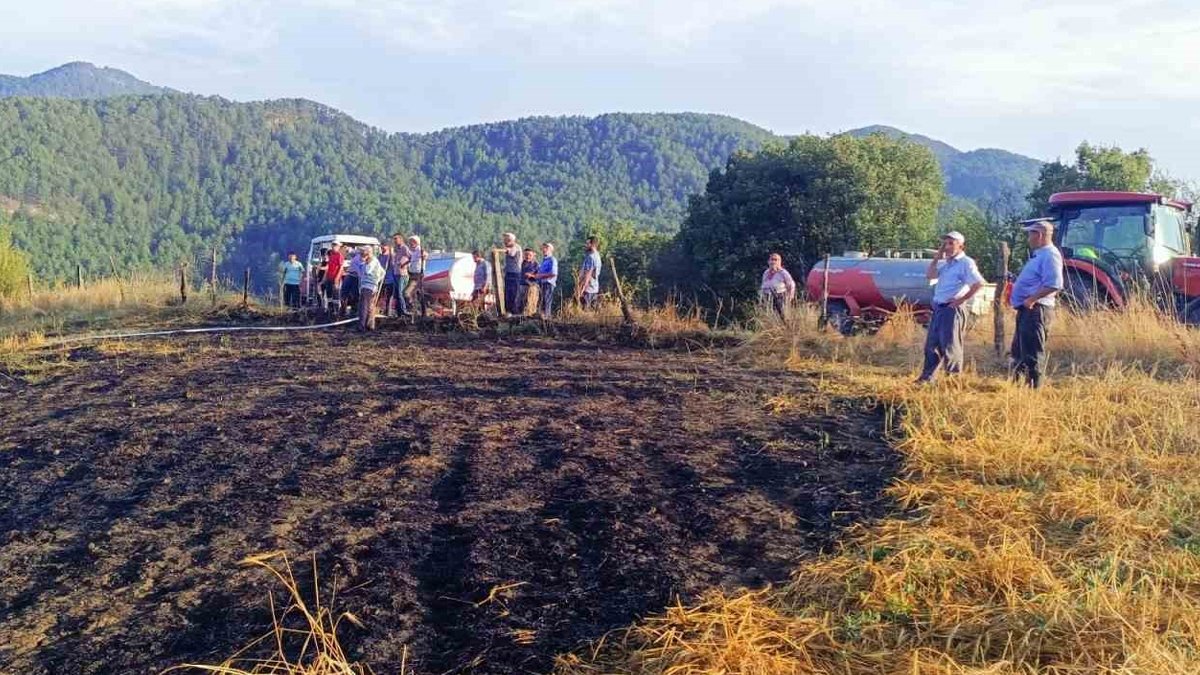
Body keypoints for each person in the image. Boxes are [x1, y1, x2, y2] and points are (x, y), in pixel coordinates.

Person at [916, 231, 985, 384]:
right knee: (932, 344)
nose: (946, 247)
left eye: (950, 243)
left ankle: (953, 381)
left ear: (961, 246)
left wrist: (961, 300)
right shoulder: (947, 264)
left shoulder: (966, 263)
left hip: (952, 309)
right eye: (945, 244)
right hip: (939, 308)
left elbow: (979, 283)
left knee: (950, 346)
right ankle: (927, 379)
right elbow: (930, 275)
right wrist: (936, 257)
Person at [1009, 219, 1064, 388]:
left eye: (1030, 234)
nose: (1029, 238)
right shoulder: (1040, 255)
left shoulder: (1050, 255)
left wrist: (1032, 299)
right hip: (1028, 309)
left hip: (1036, 309)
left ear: (1039, 235)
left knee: (1032, 352)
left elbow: (1055, 283)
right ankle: (1017, 387)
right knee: (1020, 350)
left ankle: (1034, 390)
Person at [355, 246, 385, 331]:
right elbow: (383, 272)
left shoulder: (372, 261)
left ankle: (362, 326)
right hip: (369, 286)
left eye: (363, 253)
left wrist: (375, 281)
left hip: (368, 286)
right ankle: (370, 325)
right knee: (370, 306)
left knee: (363, 306)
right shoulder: (374, 261)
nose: (361, 256)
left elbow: (368, 271)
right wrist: (377, 281)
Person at [759, 253, 796, 318]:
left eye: (776, 260)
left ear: (780, 262)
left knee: (781, 316)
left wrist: (790, 297)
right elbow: (763, 285)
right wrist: (761, 299)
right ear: (768, 261)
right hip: (767, 297)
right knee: (768, 316)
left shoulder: (783, 272)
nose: (773, 262)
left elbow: (791, 284)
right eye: (771, 259)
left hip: (780, 297)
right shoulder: (766, 272)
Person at [532, 242, 558, 319]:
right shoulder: (544, 260)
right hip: (542, 284)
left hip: (548, 283)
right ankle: (543, 318)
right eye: (543, 248)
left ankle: (546, 318)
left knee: (546, 301)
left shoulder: (552, 260)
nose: (543, 250)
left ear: (550, 250)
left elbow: (553, 273)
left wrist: (539, 276)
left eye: (546, 248)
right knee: (542, 301)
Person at [403, 235, 427, 316]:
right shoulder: (413, 252)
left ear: (416, 242)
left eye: (412, 242)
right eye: (410, 242)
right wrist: (404, 264)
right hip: (412, 275)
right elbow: (410, 260)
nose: (410, 243)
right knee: (420, 294)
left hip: (417, 275)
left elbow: (425, 255)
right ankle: (423, 312)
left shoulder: (420, 250)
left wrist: (424, 255)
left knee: (407, 293)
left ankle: (414, 308)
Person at [576, 236, 602, 310]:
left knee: (585, 310)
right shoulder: (597, 256)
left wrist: (582, 288)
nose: (586, 245)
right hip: (595, 287)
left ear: (592, 245)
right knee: (593, 310)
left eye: (587, 243)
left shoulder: (591, 257)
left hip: (588, 289)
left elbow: (588, 274)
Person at [501, 232, 522, 315]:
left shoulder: (516, 247)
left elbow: (511, 253)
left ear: (511, 240)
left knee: (513, 293)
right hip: (509, 273)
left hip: (515, 273)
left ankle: (514, 312)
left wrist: (505, 250)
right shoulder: (510, 247)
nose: (505, 241)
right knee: (507, 292)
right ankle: (508, 310)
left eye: (506, 239)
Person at [391, 233, 410, 316]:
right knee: (396, 294)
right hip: (396, 273)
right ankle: (399, 312)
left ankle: (404, 311)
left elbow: (410, 257)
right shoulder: (397, 249)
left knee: (400, 293)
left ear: (401, 239)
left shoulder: (404, 248)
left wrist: (403, 264)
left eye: (396, 238)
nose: (394, 240)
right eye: (394, 239)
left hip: (402, 274)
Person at [324, 242, 345, 314]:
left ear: (339, 247)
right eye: (333, 245)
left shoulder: (339, 255)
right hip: (329, 277)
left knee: (335, 293)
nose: (334, 247)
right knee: (328, 293)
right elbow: (328, 266)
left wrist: (337, 277)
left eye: (336, 246)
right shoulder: (330, 254)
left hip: (335, 277)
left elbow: (341, 267)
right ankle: (330, 309)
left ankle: (336, 311)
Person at [341, 247, 362, 317]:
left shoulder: (363, 259)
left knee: (355, 294)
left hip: (356, 277)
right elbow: (351, 251)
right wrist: (348, 249)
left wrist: (360, 277)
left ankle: (354, 310)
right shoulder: (357, 254)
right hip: (350, 274)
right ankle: (343, 309)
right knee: (344, 292)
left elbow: (360, 270)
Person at [518, 248, 539, 316]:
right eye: (526, 255)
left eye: (530, 255)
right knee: (520, 302)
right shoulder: (521, 263)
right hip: (521, 285)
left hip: (531, 286)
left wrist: (531, 275)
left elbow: (538, 275)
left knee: (529, 303)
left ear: (533, 255)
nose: (528, 256)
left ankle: (530, 316)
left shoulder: (536, 264)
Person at [379, 244, 397, 317]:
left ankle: (388, 312)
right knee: (379, 295)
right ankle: (378, 310)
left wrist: (391, 254)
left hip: (390, 279)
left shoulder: (391, 256)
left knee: (389, 297)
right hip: (381, 279)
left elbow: (393, 264)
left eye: (384, 246)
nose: (382, 248)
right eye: (381, 246)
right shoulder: (380, 256)